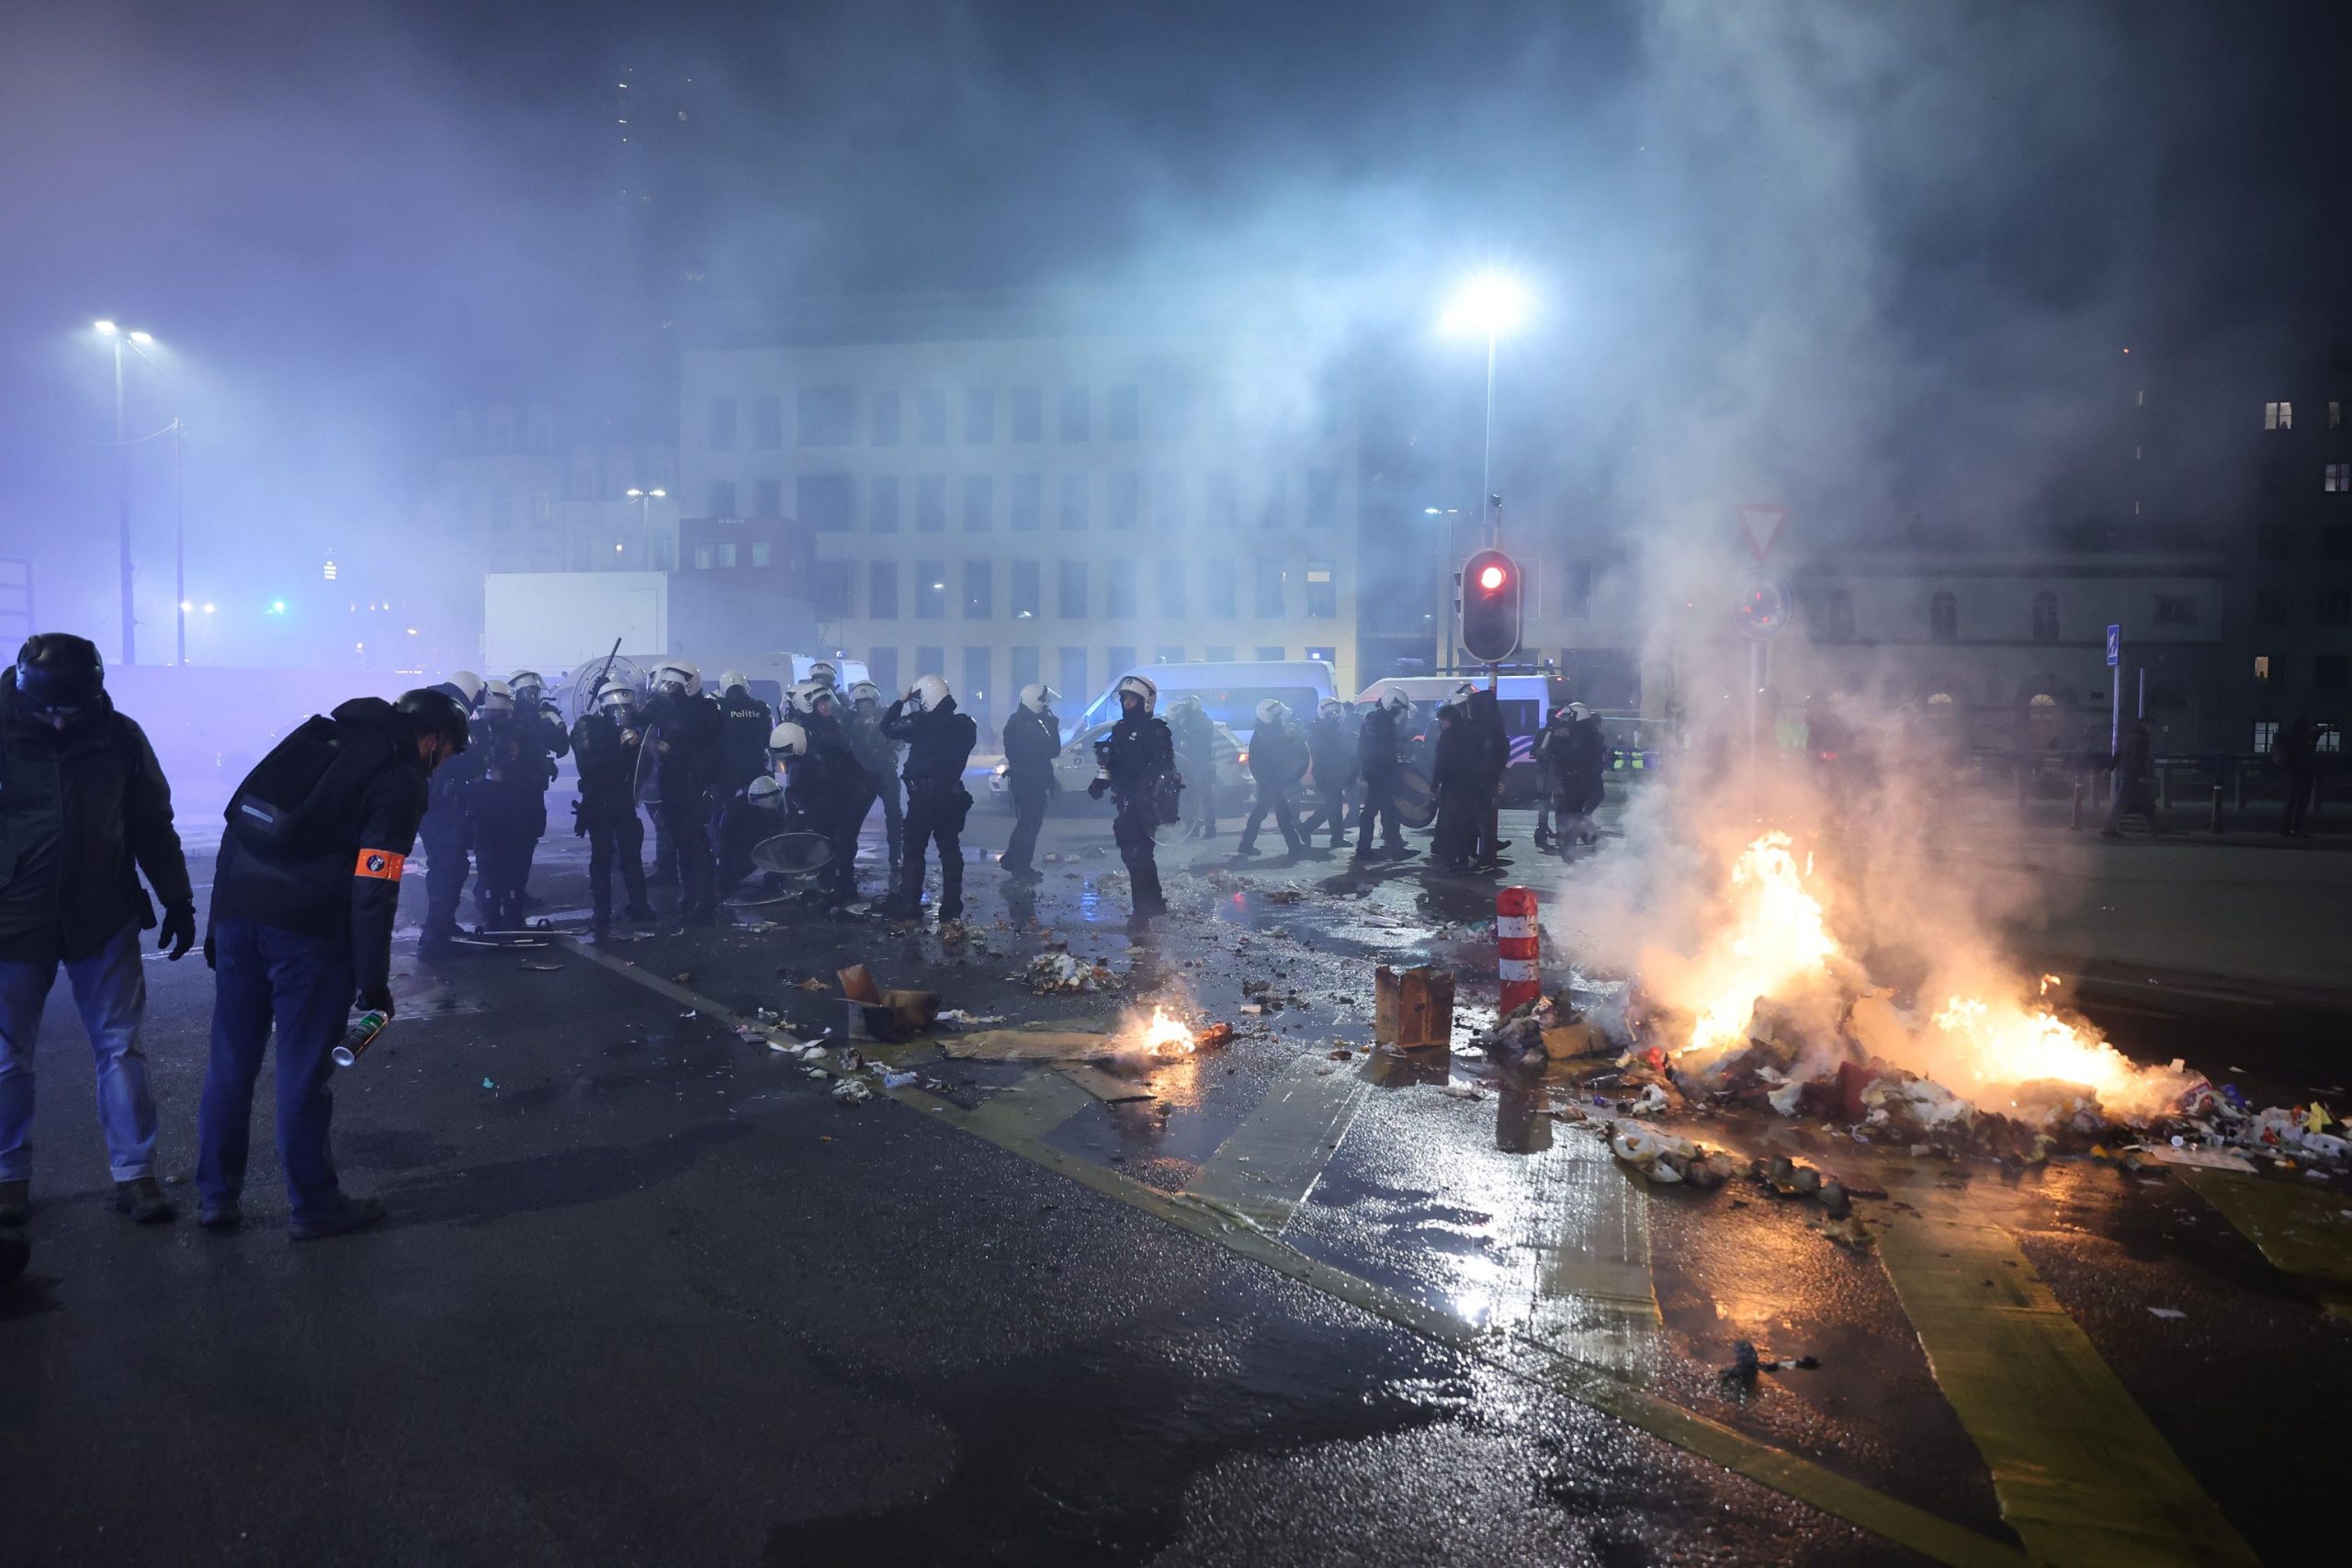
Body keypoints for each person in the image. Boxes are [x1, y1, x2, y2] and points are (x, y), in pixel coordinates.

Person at [199, 686, 469, 1239]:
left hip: (237, 917)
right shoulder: (401, 777)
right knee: (302, 1075)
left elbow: (238, 826)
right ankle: (314, 1207)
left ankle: (215, 1198)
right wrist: (373, 984)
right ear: (435, 740)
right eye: (445, 756)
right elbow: (375, 885)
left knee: (231, 1066)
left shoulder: (319, 738)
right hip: (307, 935)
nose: (440, 768)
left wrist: (217, 923)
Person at [0, 634, 195, 1228]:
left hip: (103, 913)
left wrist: (178, 898)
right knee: (5, 1057)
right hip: (12, 918)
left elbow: (150, 822)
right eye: (48, 710)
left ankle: (137, 1175)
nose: (59, 721)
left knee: (120, 1047)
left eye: (70, 710)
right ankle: (7, 1179)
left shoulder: (120, 736)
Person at [880, 674, 978, 922]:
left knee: (914, 853)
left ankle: (911, 906)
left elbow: (887, 728)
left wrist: (900, 702)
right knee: (950, 852)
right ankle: (951, 907)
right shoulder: (966, 725)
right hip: (951, 798)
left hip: (922, 800)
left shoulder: (921, 723)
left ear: (927, 698)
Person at [571, 679, 656, 940]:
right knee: (601, 858)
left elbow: (643, 764)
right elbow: (592, 766)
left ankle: (639, 905)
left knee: (631, 855)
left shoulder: (630, 731)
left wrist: (640, 747)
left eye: (627, 710)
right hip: (598, 803)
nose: (623, 716)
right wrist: (623, 749)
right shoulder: (588, 727)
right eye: (618, 711)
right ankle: (601, 911)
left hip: (622, 800)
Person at [1091, 674, 1177, 927]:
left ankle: (1143, 911)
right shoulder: (1120, 729)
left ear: (1146, 701)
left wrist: (1148, 792)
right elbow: (1110, 762)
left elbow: (1164, 769)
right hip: (1125, 800)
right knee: (1133, 854)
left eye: (1132, 698)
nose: (1127, 703)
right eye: (1124, 698)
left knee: (1138, 854)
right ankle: (1154, 902)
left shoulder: (1156, 731)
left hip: (1145, 803)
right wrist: (1100, 781)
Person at [645, 661, 725, 923]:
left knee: (697, 845)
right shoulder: (670, 709)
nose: (669, 689)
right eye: (667, 684)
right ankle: (690, 895)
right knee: (681, 842)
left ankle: (707, 902)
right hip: (673, 786)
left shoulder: (705, 710)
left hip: (695, 786)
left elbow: (699, 745)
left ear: (689, 685)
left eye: (673, 685)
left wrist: (673, 750)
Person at [416, 670, 483, 957]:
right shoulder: (448, 715)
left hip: (425, 802)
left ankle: (442, 925)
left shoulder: (431, 706)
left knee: (442, 863)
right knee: (450, 865)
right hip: (440, 805)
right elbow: (458, 762)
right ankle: (435, 934)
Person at [469, 682, 546, 932]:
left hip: (511, 808)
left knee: (507, 865)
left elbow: (538, 770)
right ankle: (497, 915)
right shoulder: (476, 731)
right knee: (494, 865)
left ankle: (506, 914)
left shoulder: (522, 730)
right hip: (493, 809)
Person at [771, 716, 865, 904]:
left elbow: (831, 791)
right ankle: (830, 879)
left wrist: (811, 816)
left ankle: (844, 885)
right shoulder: (804, 753)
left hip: (854, 792)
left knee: (842, 838)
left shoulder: (825, 752)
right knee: (827, 835)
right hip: (835, 793)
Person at [503, 669, 571, 908]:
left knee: (527, 841)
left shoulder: (538, 718)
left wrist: (557, 724)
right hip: (514, 792)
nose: (532, 698)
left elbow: (561, 747)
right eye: (528, 693)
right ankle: (505, 893)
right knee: (512, 844)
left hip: (532, 790)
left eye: (535, 693)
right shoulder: (512, 721)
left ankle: (516, 891)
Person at [999, 682, 1062, 881]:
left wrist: (1051, 726)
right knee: (1030, 823)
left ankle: (1013, 860)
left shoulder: (1029, 721)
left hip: (1032, 779)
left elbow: (1052, 751)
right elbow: (1049, 750)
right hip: (1028, 781)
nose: (1046, 705)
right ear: (1034, 701)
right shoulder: (1022, 724)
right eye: (1043, 700)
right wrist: (1051, 728)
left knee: (1028, 822)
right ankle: (1021, 866)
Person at [843, 680, 904, 885]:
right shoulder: (883, 714)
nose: (864, 708)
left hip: (867, 771)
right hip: (874, 770)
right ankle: (895, 857)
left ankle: (894, 856)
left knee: (858, 818)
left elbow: (899, 742)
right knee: (890, 816)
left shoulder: (850, 717)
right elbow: (899, 743)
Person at [1237, 698, 1311, 856]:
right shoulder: (1268, 732)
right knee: (1282, 813)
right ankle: (1294, 846)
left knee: (1261, 811)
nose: (1281, 718)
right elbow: (1281, 752)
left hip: (1271, 778)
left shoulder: (1266, 729)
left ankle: (1246, 844)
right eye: (1278, 716)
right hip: (1273, 779)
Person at [1353, 686, 1414, 862]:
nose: (1398, 712)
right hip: (1381, 772)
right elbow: (1383, 748)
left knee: (1379, 810)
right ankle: (1388, 848)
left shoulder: (1375, 719)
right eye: (1397, 708)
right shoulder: (1381, 721)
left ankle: (1371, 847)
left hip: (1375, 771)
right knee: (1383, 811)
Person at [1429, 700, 1487, 873]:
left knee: (1449, 824)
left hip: (1451, 786)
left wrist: (1434, 785)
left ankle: (1449, 860)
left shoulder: (1447, 737)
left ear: (1447, 720)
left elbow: (1441, 763)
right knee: (1466, 823)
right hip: (1469, 786)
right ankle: (1463, 858)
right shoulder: (1471, 733)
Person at [1299, 698, 1355, 850]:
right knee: (1334, 805)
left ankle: (1309, 828)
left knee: (1333, 804)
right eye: (1331, 712)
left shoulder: (1336, 727)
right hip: (1324, 772)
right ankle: (1331, 836)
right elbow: (1322, 748)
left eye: (1336, 712)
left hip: (1336, 771)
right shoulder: (1315, 728)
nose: (1335, 715)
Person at [1555, 702, 1608, 848]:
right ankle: (1584, 837)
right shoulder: (1589, 732)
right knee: (1576, 812)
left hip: (1577, 780)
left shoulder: (1581, 733)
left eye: (1571, 715)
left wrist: (1559, 741)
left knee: (1573, 812)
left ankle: (1573, 841)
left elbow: (1571, 755)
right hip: (1585, 779)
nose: (1568, 719)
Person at [1169, 694, 1220, 840]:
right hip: (1188, 764)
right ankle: (1193, 827)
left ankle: (1210, 829)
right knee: (1188, 796)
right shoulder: (1187, 721)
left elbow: (1200, 740)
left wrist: (1185, 730)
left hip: (1201, 764)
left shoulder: (1203, 722)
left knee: (1205, 797)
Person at [2103, 718, 2159, 837]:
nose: (2151, 728)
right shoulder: (2143, 740)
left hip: (2125, 771)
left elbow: (2118, 753)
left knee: (2140, 800)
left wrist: (2109, 768)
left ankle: (2155, 827)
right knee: (2127, 800)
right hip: (2132, 773)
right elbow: (2139, 758)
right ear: (2144, 725)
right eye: (2150, 725)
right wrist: (2142, 774)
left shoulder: (2129, 738)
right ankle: (2109, 827)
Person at [2273, 716, 2320, 838]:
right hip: (2300, 773)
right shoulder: (2299, 738)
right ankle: (2296, 828)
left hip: (2291, 773)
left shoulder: (2288, 736)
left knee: (2291, 801)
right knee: (2301, 802)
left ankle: (2285, 828)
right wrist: (2314, 738)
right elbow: (2306, 753)